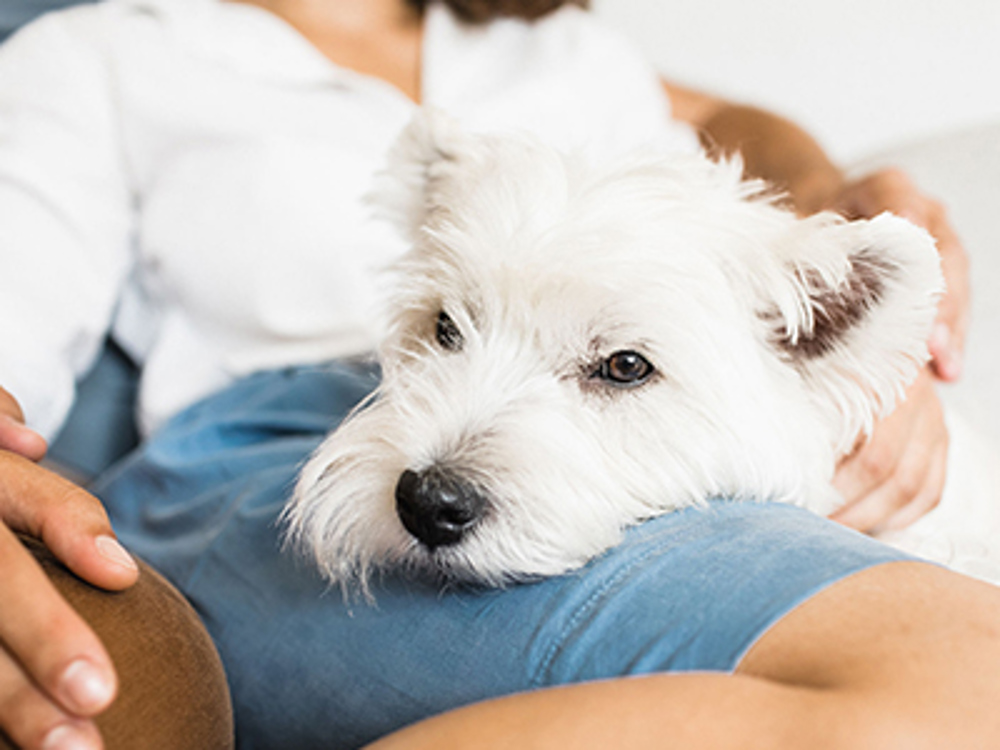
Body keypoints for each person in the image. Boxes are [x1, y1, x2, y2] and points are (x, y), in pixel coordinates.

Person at [0, 0, 987, 748]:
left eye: (616, 364)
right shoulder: (111, 51)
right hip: (274, 446)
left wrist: (838, 237)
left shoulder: (561, 45)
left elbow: (739, 144)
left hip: (651, 471)